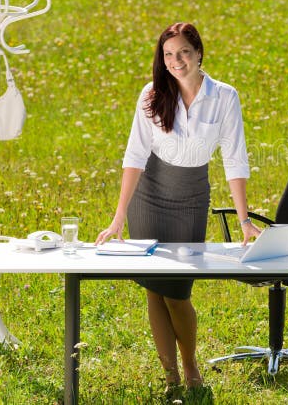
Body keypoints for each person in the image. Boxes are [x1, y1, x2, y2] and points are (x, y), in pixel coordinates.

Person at [95, 22, 260, 391]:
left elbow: (235, 160)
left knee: (179, 290)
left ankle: (191, 368)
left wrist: (245, 219)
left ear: (199, 52)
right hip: (149, 196)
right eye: (168, 55)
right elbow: (134, 155)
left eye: (183, 52)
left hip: (191, 197)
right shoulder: (152, 94)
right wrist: (118, 217)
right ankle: (171, 377)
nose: (176, 61)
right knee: (155, 287)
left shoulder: (224, 97)